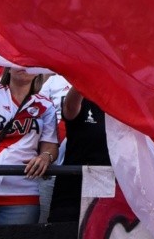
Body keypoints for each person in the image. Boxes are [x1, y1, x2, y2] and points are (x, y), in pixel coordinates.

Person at [0, 64, 58, 226]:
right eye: (18, 61)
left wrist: (45, 156)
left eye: (30, 64)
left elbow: (50, 146)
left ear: (38, 73)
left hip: (23, 194)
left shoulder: (46, 106)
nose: (25, 67)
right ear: (8, 67)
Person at [47, 86, 109, 223]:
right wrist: (85, 73)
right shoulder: (80, 99)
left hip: (106, 183)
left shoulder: (121, 106)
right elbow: (70, 107)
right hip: (73, 184)